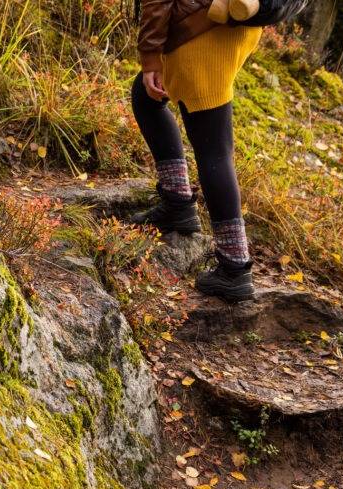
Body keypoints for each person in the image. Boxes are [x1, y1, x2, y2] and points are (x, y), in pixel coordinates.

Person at [129, 0, 263, 302]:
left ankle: (234, 267)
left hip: (201, 33)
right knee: (145, 96)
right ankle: (178, 203)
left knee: (213, 149)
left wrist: (150, 57)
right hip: (234, 21)